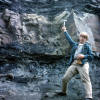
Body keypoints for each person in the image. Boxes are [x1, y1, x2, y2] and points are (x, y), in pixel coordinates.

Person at [57, 26, 94, 100]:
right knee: (65, 78)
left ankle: (89, 96)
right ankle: (63, 92)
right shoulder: (75, 44)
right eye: (81, 36)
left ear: (86, 39)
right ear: (79, 37)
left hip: (83, 64)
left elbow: (91, 56)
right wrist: (65, 31)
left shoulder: (87, 46)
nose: (82, 38)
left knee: (86, 79)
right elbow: (69, 39)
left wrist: (83, 56)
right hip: (74, 63)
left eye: (84, 37)